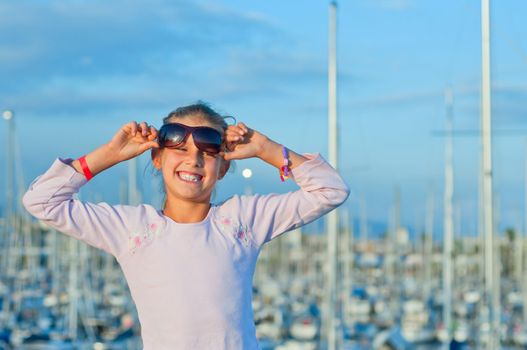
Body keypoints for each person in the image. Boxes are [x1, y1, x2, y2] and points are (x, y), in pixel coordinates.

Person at [23, 102, 350, 349]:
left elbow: (331, 190)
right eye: (179, 150)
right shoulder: (132, 229)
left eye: (207, 154)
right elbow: (42, 201)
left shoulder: (241, 221)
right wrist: (110, 153)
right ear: (157, 158)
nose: (192, 160)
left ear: (222, 168)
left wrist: (265, 148)